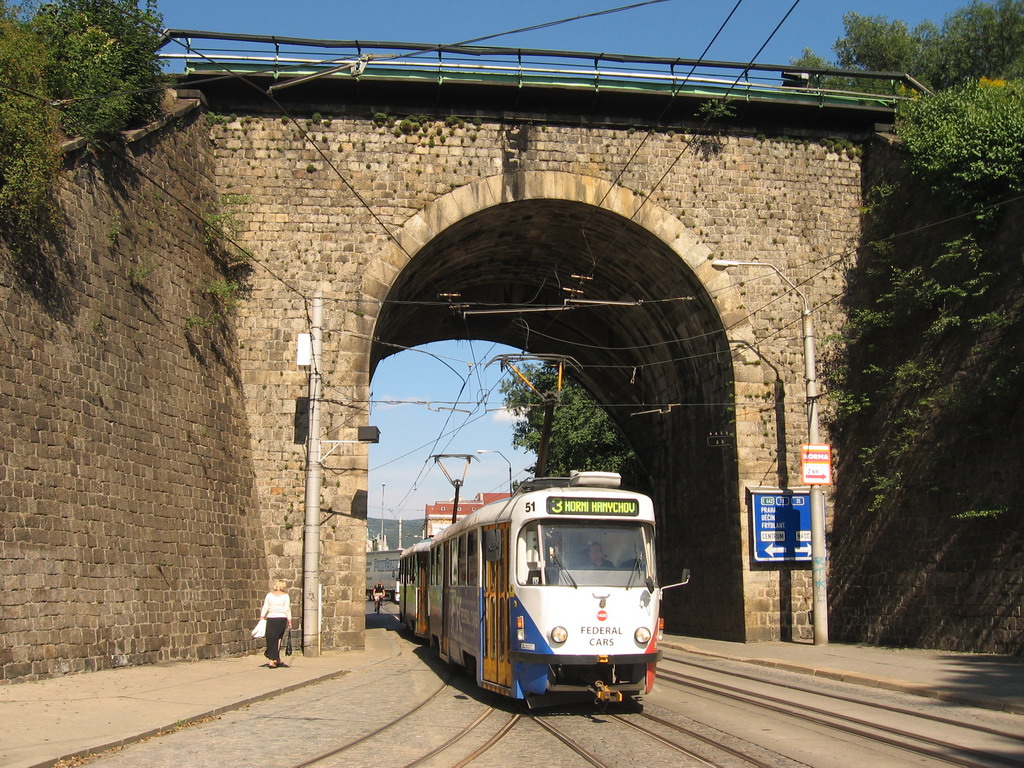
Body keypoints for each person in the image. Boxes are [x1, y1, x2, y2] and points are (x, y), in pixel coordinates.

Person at [259, 579, 292, 668]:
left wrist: (262, 616)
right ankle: (272, 660)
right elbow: (287, 609)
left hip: (271, 618)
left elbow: (265, 606)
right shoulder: (285, 596)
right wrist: (289, 620)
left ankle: (276, 658)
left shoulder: (269, 595)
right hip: (281, 618)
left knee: (271, 638)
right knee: (278, 639)